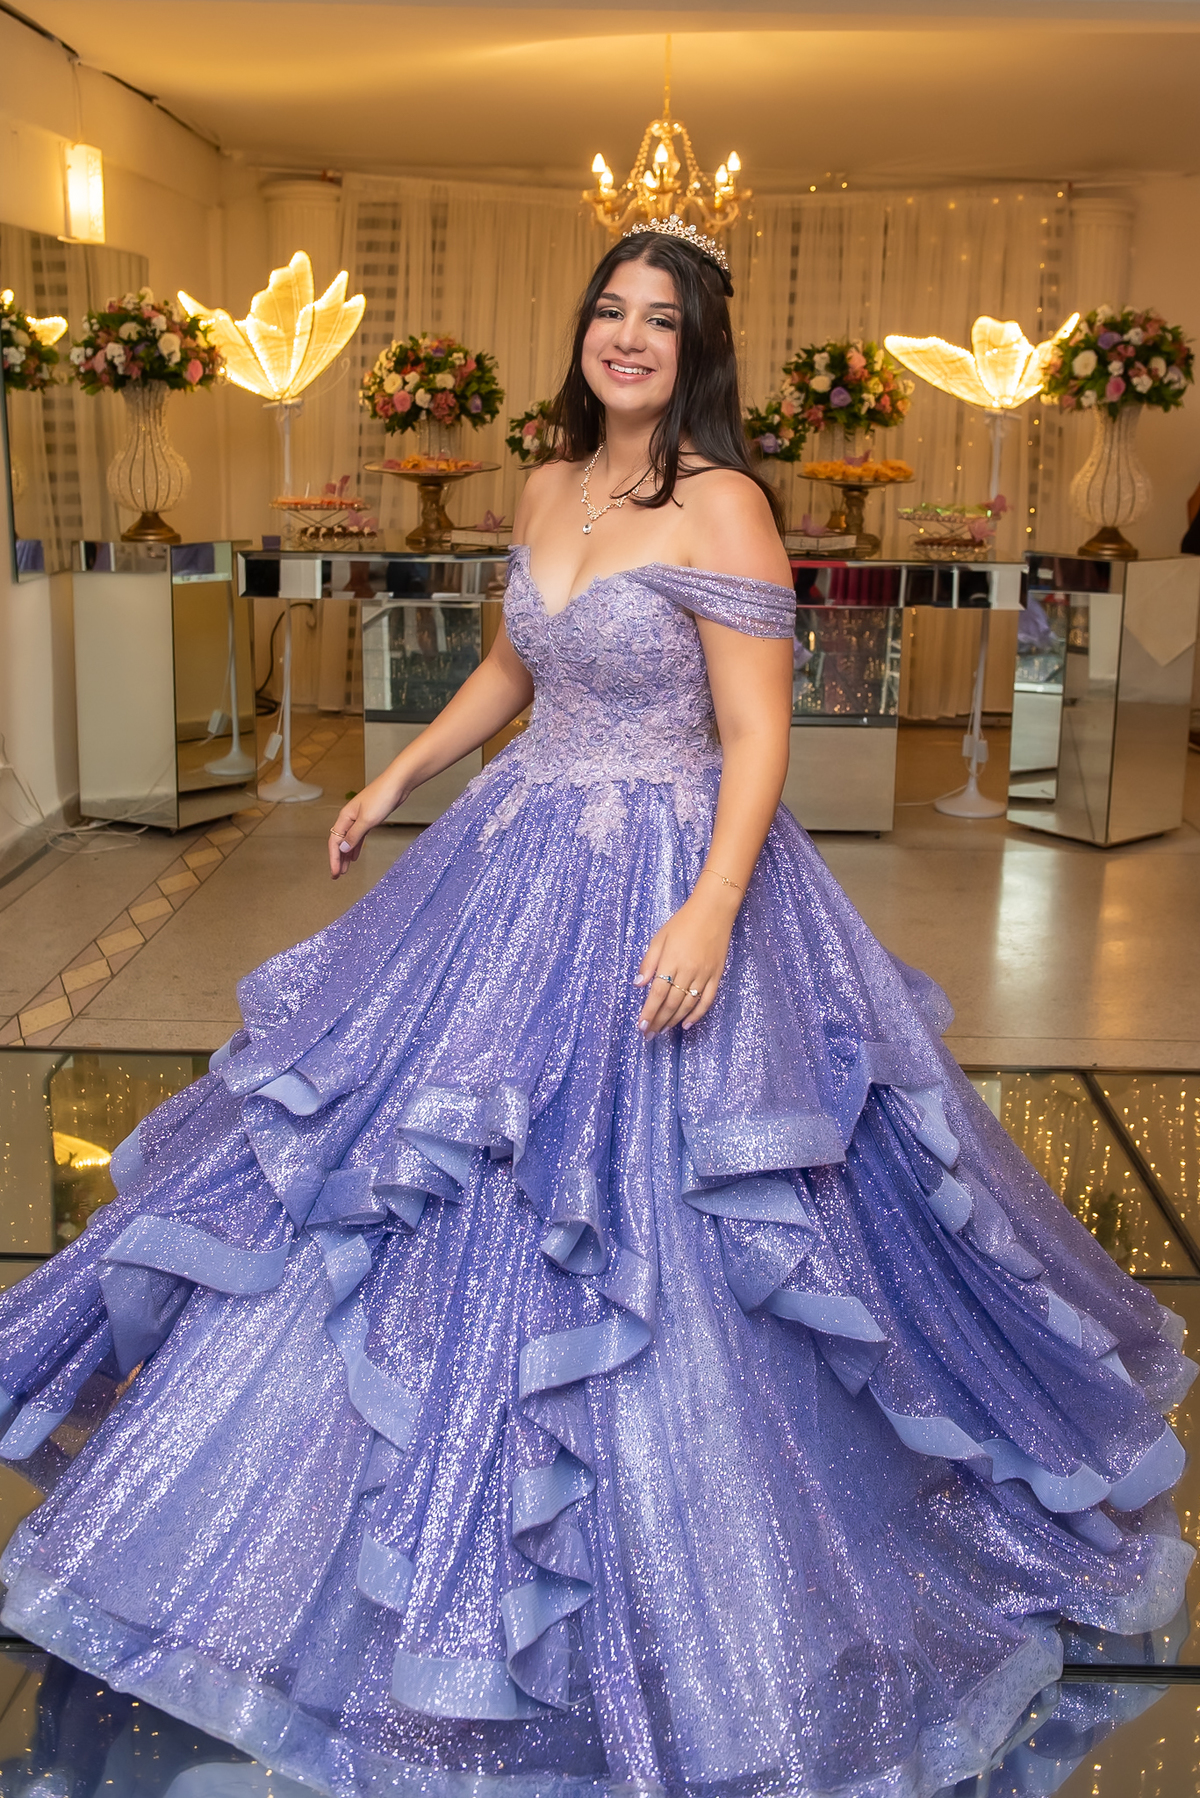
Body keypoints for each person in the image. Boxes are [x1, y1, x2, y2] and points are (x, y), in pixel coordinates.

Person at [0, 219, 1192, 1798]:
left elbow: (756, 734)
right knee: (417, 1177)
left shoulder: (725, 503)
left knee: (676, 1215)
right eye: (610, 310)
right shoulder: (547, 486)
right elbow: (517, 667)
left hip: (667, 868)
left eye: (661, 318)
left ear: (697, 350)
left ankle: (696, 1589)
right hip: (518, 854)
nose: (628, 336)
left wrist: (711, 903)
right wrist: (402, 773)